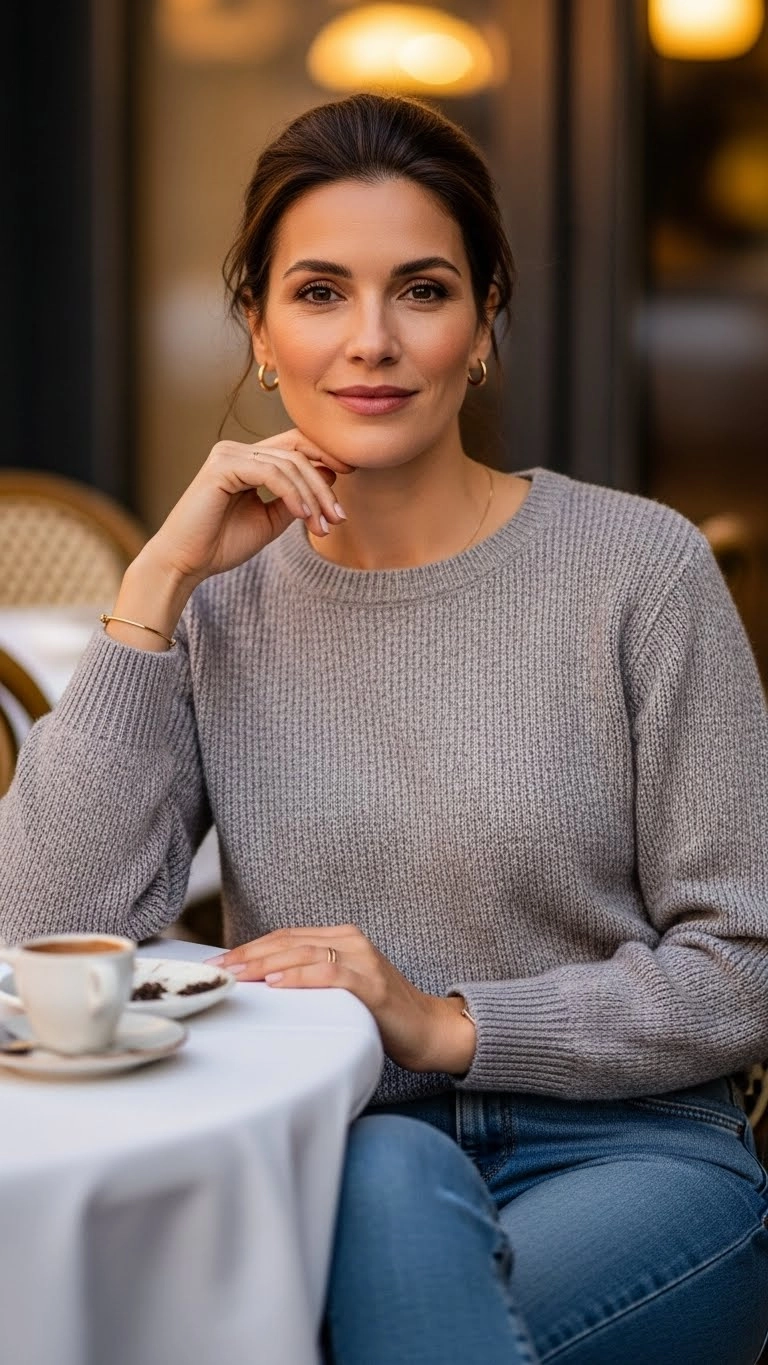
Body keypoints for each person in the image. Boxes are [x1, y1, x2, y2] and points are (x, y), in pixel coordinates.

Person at [1, 92, 767, 1363]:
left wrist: (445, 1023)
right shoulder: (221, 606)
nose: (372, 341)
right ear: (257, 331)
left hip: (635, 1152)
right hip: (341, 1147)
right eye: (318, 293)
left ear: (482, 327)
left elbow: (744, 964)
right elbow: (39, 941)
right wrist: (152, 592)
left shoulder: (642, 570)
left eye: (421, 289)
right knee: (391, 1183)